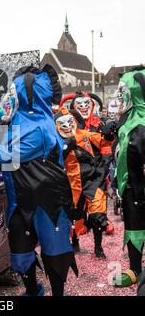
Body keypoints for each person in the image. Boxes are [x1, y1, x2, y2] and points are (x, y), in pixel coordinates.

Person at [0, 65, 77, 296]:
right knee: (20, 252)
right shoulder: (18, 121)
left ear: (25, 94)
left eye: (13, 91)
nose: (9, 96)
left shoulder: (40, 127)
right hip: (19, 200)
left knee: (55, 253)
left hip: (47, 202)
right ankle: (32, 291)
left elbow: (8, 156)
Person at [54, 106, 116, 258]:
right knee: (74, 216)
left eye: (70, 121)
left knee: (97, 215)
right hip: (72, 184)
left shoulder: (86, 135)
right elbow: (52, 160)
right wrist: (66, 147)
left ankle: (98, 247)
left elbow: (104, 142)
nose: (68, 126)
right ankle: (74, 241)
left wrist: (108, 134)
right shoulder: (55, 141)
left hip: (93, 181)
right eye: (62, 123)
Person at [112, 67, 145, 287]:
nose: (118, 96)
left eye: (123, 90)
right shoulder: (128, 121)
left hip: (141, 187)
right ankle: (135, 270)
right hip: (131, 189)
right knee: (133, 228)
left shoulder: (140, 124)